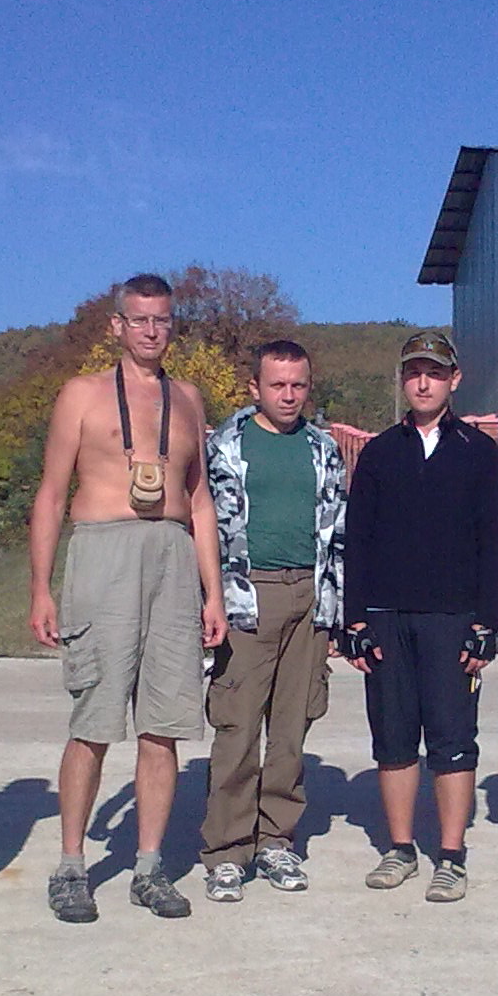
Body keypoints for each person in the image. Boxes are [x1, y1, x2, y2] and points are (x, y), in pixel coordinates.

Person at [29, 273, 227, 923]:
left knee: (163, 726)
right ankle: (71, 865)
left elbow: (200, 501)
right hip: (103, 553)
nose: (150, 331)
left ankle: (148, 866)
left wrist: (213, 594)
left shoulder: (188, 399)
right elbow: (51, 494)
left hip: (171, 554)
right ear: (116, 325)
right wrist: (40, 588)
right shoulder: (81, 394)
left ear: (173, 326)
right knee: (94, 719)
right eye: (139, 319)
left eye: (161, 320)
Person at [341, 331, 498, 903]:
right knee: (393, 736)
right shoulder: (380, 453)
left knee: (452, 737)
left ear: (453, 379)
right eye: (414, 372)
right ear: (403, 380)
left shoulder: (478, 451)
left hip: (452, 618)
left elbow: (493, 543)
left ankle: (451, 856)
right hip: (388, 617)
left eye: (434, 373)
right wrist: (355, 620)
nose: (423, 382)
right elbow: (357, 540)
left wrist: (486, 624)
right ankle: (400, 848)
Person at [199, 341, 348, 902]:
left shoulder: (323, 449)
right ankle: (227, 851)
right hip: (246, 596)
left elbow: (338, 531)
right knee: (237, 727)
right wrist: (209, 600)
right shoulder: (224, 446)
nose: (289, 395)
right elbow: (201, 526)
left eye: (298, 385)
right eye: (277, 385)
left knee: (291, 728)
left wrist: (335, 609)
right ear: (254, 388)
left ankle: (276, 841)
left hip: (308, 595)